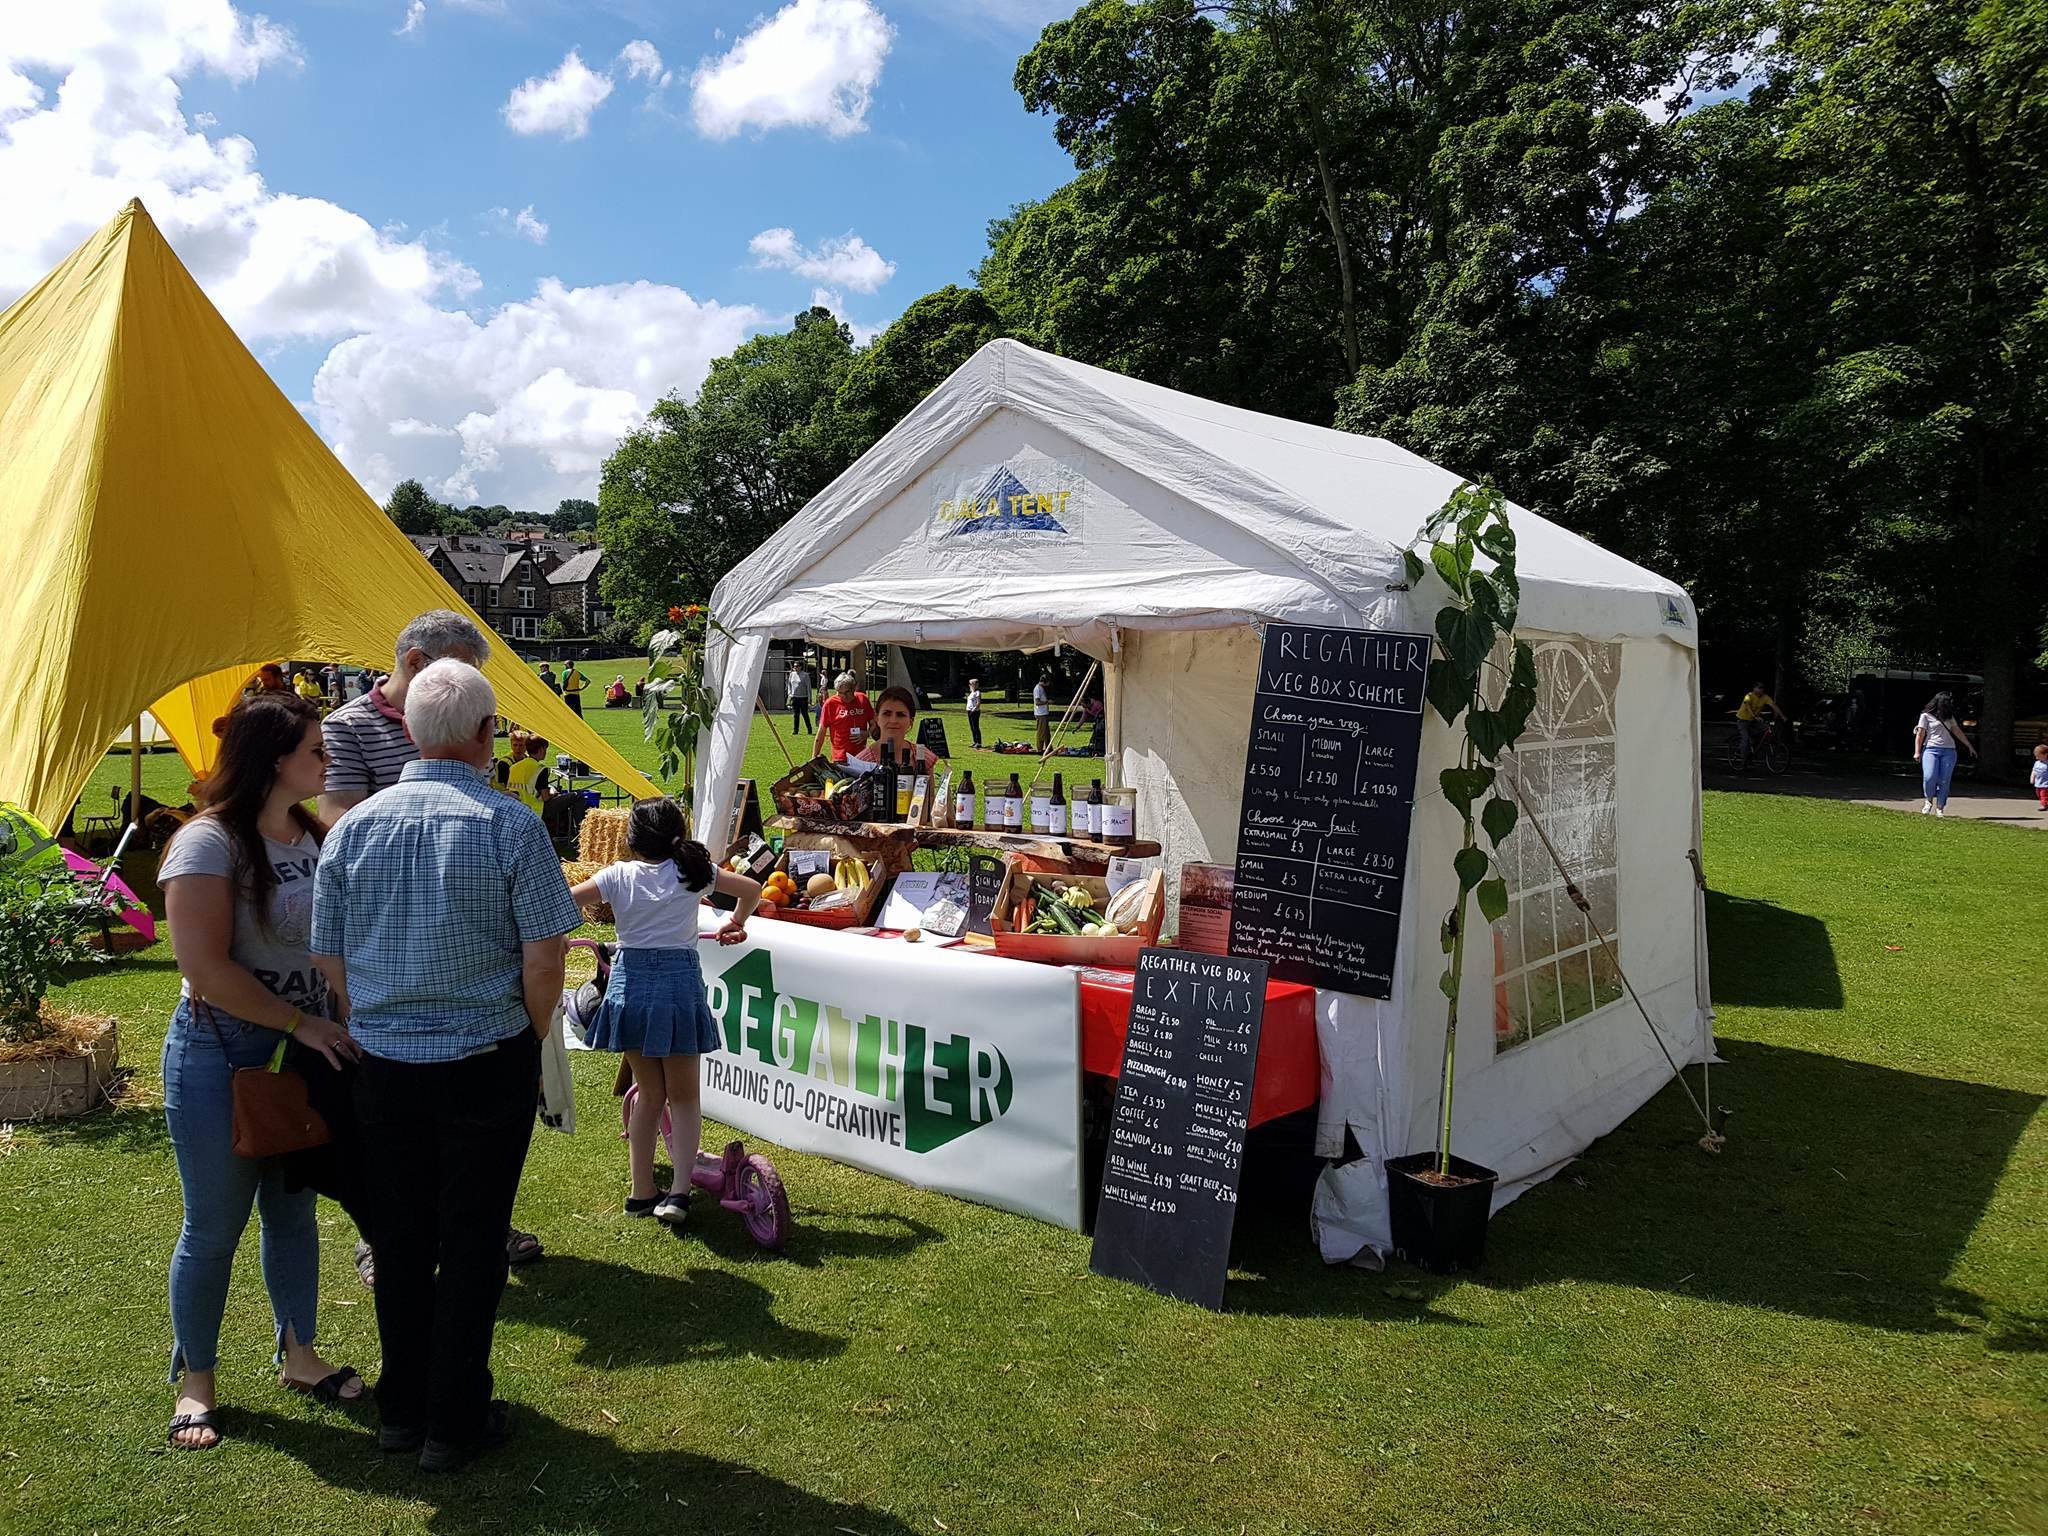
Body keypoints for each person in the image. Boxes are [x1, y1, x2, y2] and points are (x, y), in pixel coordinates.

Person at [311, 660, 579, 1474]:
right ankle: (451, 1418)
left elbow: (327, 954)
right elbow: (545, 958)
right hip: (482, 1058)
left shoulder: (354, 826)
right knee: (470, 1241)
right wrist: (533, 1041)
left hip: (386, 1065)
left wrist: (375, 1015)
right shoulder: (510, 824)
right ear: (487, 734)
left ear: (412, 733)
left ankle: (405, 1409)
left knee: (400, 1238)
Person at [158, 694, 367, 1451]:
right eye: (316, 750)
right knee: (213, 1228)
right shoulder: (207, 845)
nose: (327, 761)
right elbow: (205, 968)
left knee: (292, 1216)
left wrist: (339, 1021)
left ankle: (300, 1356)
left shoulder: (312, 835)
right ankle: (196, 1384)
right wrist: (302, 1023)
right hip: (222, 1059)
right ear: (276, 760)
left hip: (302, 1058)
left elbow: (329, 949)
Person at [318, 612, 546, 1276]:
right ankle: (384, 1238)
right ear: (417, 663)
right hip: (395, 926)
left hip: (448, 919)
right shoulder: (349, 726)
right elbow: (337, 816)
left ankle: (473, 1228)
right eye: (464, 674)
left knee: (459, 1160)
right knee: (405, 1183)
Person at [568, 799, 758, 1224]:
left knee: (649, 1094)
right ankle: (678, 1192)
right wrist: (735, 923)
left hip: (629, 990)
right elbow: (750, 890)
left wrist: (558, 938)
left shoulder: (616, 875)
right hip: (677, 990)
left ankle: (640, 1191)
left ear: (631, 841)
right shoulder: (695, 874)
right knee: (685, 1096)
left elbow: (564, 901)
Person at [1912, 690, 1975, 816]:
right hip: (1931, 749)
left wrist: (1968, 745)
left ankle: (1940, 807)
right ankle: (1928, 800)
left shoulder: (1949, 717)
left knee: (1944, 780)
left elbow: (1957, 732)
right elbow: (1920, 734)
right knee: (1929, 777)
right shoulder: (1925, 716)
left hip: (1949, 750)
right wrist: (1917, 752)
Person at [852, 686, 940, 774]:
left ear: (911, 721)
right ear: (877, 718)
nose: (893, 720)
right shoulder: (862, 763)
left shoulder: (923, 756)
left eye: (900, 715)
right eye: (887, 713)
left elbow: (930, 788)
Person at [813, 672, 876, 763]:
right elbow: (821, 731)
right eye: (840, 693)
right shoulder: (830, 704)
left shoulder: (863, 699)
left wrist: (867, 734)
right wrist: (814, 756)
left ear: (854, 688)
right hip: (840, 758)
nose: (844, 696)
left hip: (862, 757)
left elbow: (874, 724)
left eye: (847, 692)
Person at [1734, 681, 1786, 766]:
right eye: (1759, 688)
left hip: (1754, 721)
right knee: (1745, 739)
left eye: (1762, 688)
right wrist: (1755, 716)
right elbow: (1747, 707)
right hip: (1743, 720)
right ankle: (1742, 757)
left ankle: (1753, 753)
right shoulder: (1749, 696)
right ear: (1754, 688)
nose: (1761, 689)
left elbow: (1773, 705)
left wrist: (1782, 716)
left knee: (1765, 730)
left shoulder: (1765, 697)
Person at [508, 734, 553, 815]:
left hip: (515, 809)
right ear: (541, 749)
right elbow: (545, 797)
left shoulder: (514, 767)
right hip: (535, 809)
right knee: (576, 796)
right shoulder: (540, 768)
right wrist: (554, 794)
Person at [787, 660, 814, 738]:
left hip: (803, 698)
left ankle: (809, 729)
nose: (795, 668)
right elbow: (789, 684)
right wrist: (790, 694)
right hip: (795, 697)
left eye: (797, 666)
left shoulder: (805, 675)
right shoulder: (792, 674)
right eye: (794, 666)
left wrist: (809, 699)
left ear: (800, 667)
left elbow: (808, 687)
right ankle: (795, 730)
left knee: (805, 714)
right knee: (796, 715)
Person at [1033, 672, 1052, 753]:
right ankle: (1039, 749)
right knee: (1041, 732)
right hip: (1040, 714)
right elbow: (1037, 702)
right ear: (1045, 681)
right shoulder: (1037, 689)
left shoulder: (1041, 688)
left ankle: (1049, 748)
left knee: (1047, 732)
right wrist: (1047, 702)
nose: (1049, 684)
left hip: (1044, 713)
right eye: (1048, 682)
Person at [964, 677, 983, 749]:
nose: (969, 685)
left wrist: (974, 709)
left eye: (971, 684)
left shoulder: (977, 692)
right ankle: (975, 741)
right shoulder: (972, 692)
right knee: (972, 727)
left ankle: (979, 742)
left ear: (975, 684)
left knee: (975, 727)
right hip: (969, 711)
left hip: (975, 711)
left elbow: (978, 702)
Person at [2032, 743, 2048, 812]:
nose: (2036, 758)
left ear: (2045, 755)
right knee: (2039, 794)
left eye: (2038, 756)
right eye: (2036, 756)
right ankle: (2045, 803)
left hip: (2046, 784)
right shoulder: (2037, 763)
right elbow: (2034, 771)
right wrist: (2032, 778)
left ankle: (2044, 805)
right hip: (2038, 783)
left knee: (2043, 795)